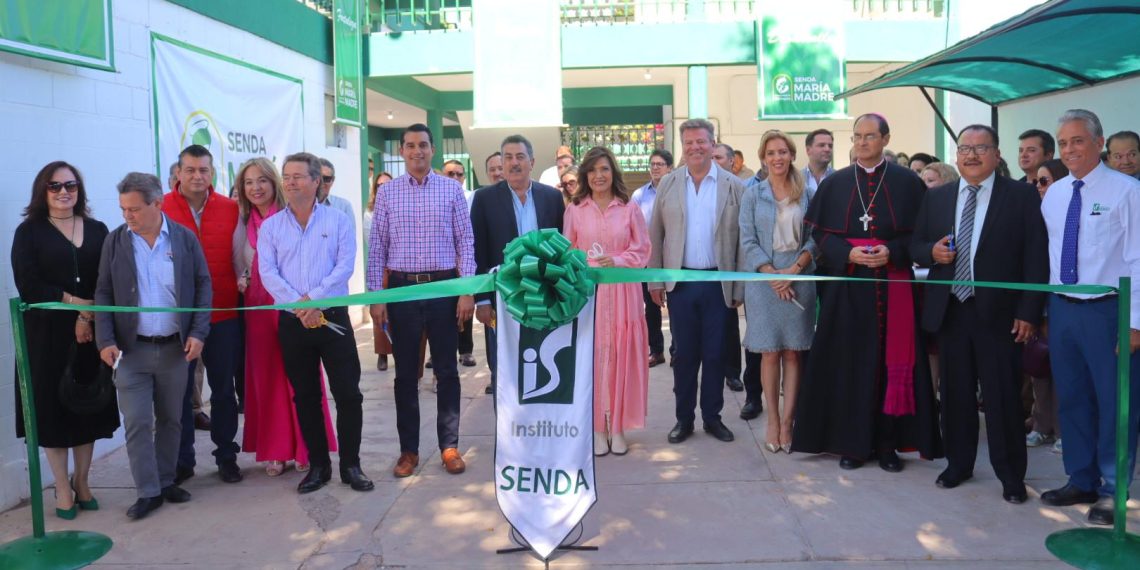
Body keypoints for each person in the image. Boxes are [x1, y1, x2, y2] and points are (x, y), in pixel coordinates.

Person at [791, 113, 943, 471]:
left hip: (894, 287)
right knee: (850, 363)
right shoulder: (837, 183)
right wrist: (848, 253)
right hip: (848, 289)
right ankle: (853, 444)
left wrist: (895, 251)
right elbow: (822, 235)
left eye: (870, 136)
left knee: (893, 365)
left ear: (885, 139)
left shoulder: (908, 182)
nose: (861, 142)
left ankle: (888, 445)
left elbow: (918, 237)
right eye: (857, 136)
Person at [911, 124, 1048, 504]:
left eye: (980, 148)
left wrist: (1029, 311)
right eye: (964, 148)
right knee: (954, 394)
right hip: (951, 310)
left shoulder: (1020, 196)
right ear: (956, 155)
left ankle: (1011, 477)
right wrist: (930, 252)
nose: (971, 155)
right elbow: (916, 244)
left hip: (1000, 315)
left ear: (996, 154)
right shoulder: (937, 198)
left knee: (1002, 396)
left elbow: (1036, 256)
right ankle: (959, 465)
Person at [1039, 109, 1140, 526]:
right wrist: (1048, 310)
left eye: (1077, 141)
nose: (1069, 150)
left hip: (1109, 311)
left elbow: (1139, 260)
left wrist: (1134, 323)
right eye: (1063, 143)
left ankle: (1113, 489)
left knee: (1116, 403)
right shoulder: (1056, 193)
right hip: (1064, 310)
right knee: (1074, 398)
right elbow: (1051, 254)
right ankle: (1080, 477)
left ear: (1099, 144)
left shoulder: (1127, 190)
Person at [95, 172, 211, 520]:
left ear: (157, 204)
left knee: (172, 419)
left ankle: (165, 481)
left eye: (134, 209)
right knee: (137, 422)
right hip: (131, 351)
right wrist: (105, 339)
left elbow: (203, 285)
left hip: (176, 349)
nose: (127, 216)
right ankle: (147, 491)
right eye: (123, 209)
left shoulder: (184, 239)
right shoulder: (116, 242)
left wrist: (198, 332)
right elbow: (103, 291)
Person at [259, 151, 373, 495]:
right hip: (293, 322)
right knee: (306, 397)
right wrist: (300, 305)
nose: (291, 183)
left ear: (316, 182)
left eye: (298, 176)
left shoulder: (337, 221)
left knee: (348, 394)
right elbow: (268, 273)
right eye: (287, 177)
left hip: (332, 319)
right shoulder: (272, 226)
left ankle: (351, 465)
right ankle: (319, 466)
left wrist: (315, 301)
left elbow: (344, 267)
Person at [11, 161, 119, 519]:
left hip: (90, 335)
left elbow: (107, 279)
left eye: (70, 185)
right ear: (43, 191)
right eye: (55, 186)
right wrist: (74, 305)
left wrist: (87, 317)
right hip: (45, 337)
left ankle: (83, 481)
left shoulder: (99, 229)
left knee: (87, 406)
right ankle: (61, 486)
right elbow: (29, 284)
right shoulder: (29, 233)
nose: (63, 192)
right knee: (54, 411)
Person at [368, 124, 475, 479]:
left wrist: (466, 290)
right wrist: (377, 297)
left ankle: (449, 445)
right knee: (405, 375)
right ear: (402, 150)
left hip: (444, 288)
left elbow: (466, 243)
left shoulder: (451, 190)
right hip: (402, 291)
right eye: (411, 145)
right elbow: (377, 248)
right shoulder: (388, 194)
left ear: (433, 150)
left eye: (424, 145)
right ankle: (408, 451)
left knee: (447, 371)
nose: (417, 151)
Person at [233, 158, 337, 477]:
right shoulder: (240, 219)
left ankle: (308, 448)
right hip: (258, 309)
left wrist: (302, 302)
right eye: (249, 182)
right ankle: (275, 450)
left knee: (302, 379)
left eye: (262, 180)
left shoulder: (290, 213)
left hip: (297, 306)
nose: (256, 188)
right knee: (267, 379)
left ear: (274, 182)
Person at [648, 118, 745, 445]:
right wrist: (655, 280)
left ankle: (712, 417)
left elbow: (742, 240)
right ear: (682, 146)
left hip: (719, 283)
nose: (695, 148)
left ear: (712, 143)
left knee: (716, 353)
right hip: (681, 284)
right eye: (688, 142)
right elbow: (655, 234)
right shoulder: (669, 184)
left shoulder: (734, 186)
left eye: (701, 142)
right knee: (685, 354)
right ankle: (683, 418)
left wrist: (739, 286)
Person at [162, 144, 242, 485]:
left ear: (213, 173)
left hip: (224, 314)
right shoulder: (161, 207)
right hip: (177, 319)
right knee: (180, 392)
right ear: (178, 173)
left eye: (204, 170)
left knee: (224, 391)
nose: (197, 176)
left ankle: (226, 455)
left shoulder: (231, 208)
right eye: (191, 170)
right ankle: (183, 460)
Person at [564, 146, 651, 456]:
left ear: (613, 172)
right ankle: (597, 427)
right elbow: (566, 253)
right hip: (588, 296)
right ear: (585, 175)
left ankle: (618, 427)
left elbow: (642, 251)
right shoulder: (575, 208)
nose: (598, 176)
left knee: (620, 355)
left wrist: (616, 260)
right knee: (592, 356)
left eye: (604, 169)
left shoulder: (629, 208)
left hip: (623, 295)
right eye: (592, 170)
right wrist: (583, 263)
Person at [739, 131, 818, 454]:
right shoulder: (753, 194)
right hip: (764, 280)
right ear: (763, 157)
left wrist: (794, 271)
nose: (777, 158)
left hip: (799, 277)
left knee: (793, 352)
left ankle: (789, 422)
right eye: (771, 153)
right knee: (769, 352)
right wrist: (771, 275)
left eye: (783, 152)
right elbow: (746, 239)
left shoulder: (807, 193)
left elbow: (817, 237)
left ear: (792, 155)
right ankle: (772, 420)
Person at [471, 134, 565, 395]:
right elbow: (477, 250)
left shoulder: (551, 198)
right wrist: (482, 300)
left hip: (542, 297)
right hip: (502, 298)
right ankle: (507, 428)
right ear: (501, 162)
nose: (514, 163)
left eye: (520, 157)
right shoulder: (484, 199)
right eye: (508, 157)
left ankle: (539, 421)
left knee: (542, 361)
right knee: (504, 365)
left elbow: (560, 248)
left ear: (531, 162)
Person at [631, 149, 673, 368]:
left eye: (660, 164)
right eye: (652, 164)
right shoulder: (639, 195)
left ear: (670, 168)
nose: (655, 167)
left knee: (675, 305)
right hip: (648, 258)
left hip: (674, 257)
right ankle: (656, 350)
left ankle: (677, 350)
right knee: (652, 306)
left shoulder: (676, 192)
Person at [441, 159, 477, 369]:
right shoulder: (435, 194)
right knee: (442, 313)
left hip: (463, 261)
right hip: (441, 264)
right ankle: (437, 354)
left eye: (459, 174)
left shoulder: (472, 197)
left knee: (464, 308)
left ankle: (466, 350)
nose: (455, 178)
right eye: (450, 173)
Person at [366, 171, 394, 371]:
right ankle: (383, 353)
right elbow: (373, 241)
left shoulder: (402, 205)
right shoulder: (370, 212)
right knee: (381, 313)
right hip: (382, 268)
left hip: (401, 267)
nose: (383, 188)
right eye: (380, 185)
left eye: (387, 185)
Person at [318, 158, 356, 231]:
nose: (321, 183)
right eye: (318, 178)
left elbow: (349, 239)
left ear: (332, 180)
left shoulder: (344, 206)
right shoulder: (300, 206)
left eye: (326, 179)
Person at [803, 129, 835, 193]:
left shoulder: (838, 178)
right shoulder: (795, 180)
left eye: (830, 146)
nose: (827, 149)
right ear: (808, 150)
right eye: (822, 145)